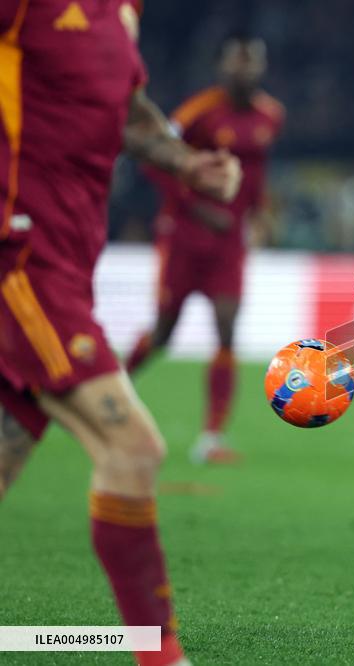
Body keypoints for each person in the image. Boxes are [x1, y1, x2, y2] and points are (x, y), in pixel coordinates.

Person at [0, 2, 240, 665]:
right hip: (20, 259)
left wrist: (186, 163)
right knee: (131, 446)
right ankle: (160, 656)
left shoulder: (123, 12)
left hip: (66, 265)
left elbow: (127, 105)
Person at [126, 33, 284, 464]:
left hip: (229, 244)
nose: (245, 70)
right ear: (221, 67)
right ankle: (114, 389)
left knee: (227, 327)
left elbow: (256, 174)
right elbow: (154, 161)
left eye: (252, 62)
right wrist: (196, 207)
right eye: (237, 62)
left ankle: (211, 436)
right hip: (183, 237)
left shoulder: (271, 116)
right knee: (164, 330)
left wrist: (261, 211)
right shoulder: (197, 113)